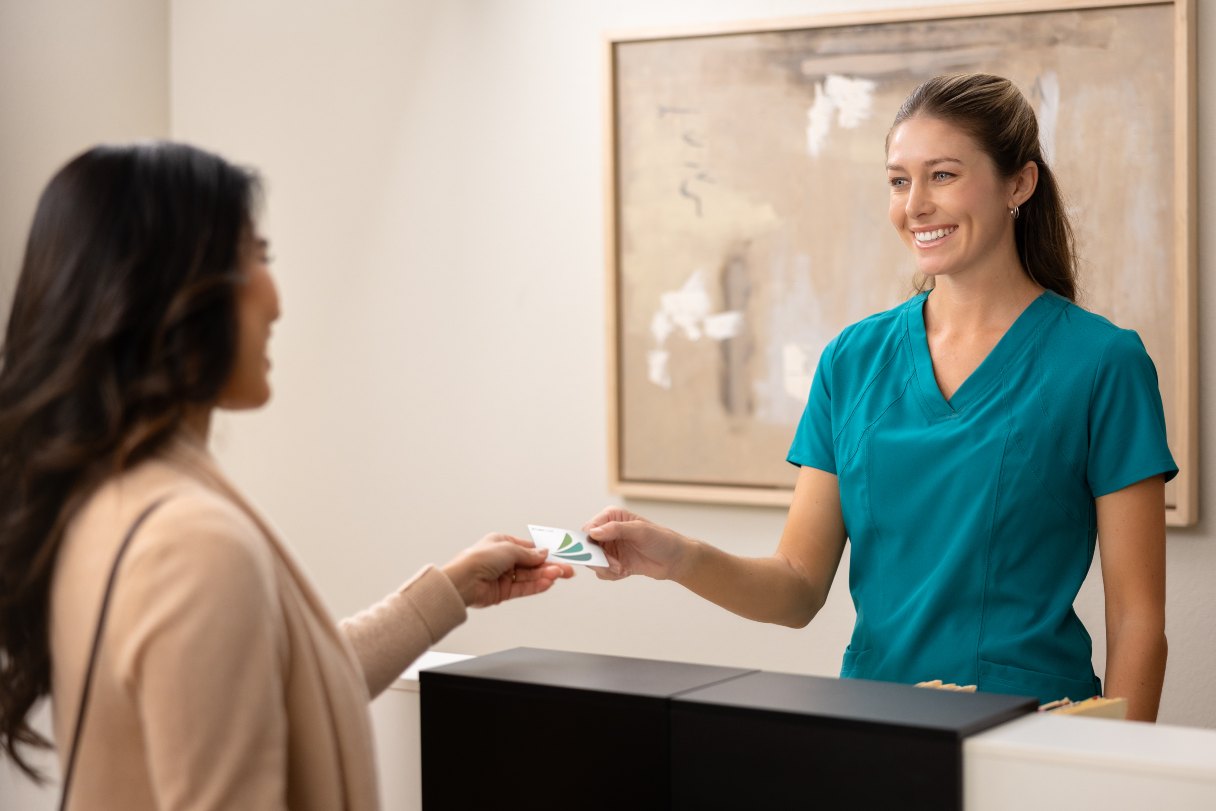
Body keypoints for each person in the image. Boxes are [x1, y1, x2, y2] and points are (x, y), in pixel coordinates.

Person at [0, 141, 574, 809]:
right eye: (256, 258)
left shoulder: (109, 500)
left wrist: (447, 591)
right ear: (172, 292)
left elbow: (285, 689)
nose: (274, 300)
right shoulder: (190, 543)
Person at [585, 73, 1175, 722]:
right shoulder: (853, 358)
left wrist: (1123, 771)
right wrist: (677, 556)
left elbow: (1138, 619)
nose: (915, 204)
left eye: (942, 175)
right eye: (899, 180)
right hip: (873, 730)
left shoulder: (1102, 362)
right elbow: (797, 586)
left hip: (1036, 735)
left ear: (1020, 184)